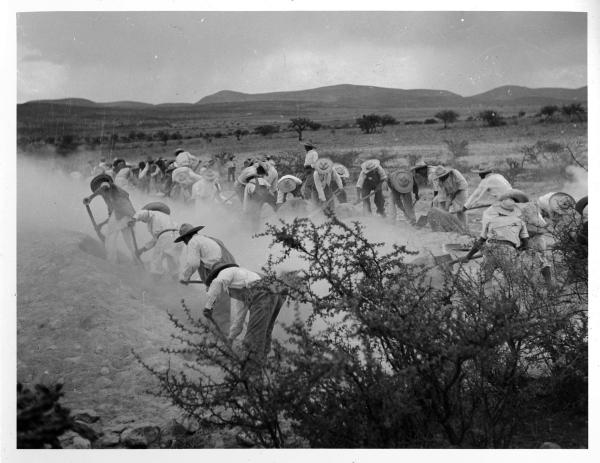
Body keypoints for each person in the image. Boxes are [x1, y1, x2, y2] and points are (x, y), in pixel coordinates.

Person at [202, 264, 285, 369]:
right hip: (275, 293)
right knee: (264, 333)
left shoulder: (226, 272)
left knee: (253, 338)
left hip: (263, 294)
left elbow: (217, 282)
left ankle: (250, 375)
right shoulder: (241, 282)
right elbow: (239, 318)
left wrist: (208, 307)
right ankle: (262, 366)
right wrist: (230, 339)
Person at [176, 224, 237, 325]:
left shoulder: (193, 242)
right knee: (220, 304)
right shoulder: (212, 240)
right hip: (231, 272)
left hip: (219, 275)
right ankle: (218, 331)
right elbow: (211, 261)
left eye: (184, 240)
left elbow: (193, 263)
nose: (185, 243)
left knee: (218, 306)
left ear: (187, 237)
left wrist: (185, 278)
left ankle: (218, 335)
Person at [461, 198, 529, 287]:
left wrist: (468, 256)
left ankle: (486, 297)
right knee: (512, 281)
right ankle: (510, 298)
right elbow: (526, 243)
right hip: (508, 250)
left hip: (490, 249)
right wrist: (518, 249)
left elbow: (480, 241)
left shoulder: (491, 221)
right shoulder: (520, 221)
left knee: (485, 279)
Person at [83, 173, 137, 264]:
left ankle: (111, 261)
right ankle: (136, 260)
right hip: (129, 215)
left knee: (110, 238)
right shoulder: (110, 197)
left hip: (123, 213)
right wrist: (101, 224)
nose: (98, 189)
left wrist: (90, 198)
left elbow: (103, 187)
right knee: (129, 241)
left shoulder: (107, 186)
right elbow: (112, 216)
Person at [131, 202, 182, 279]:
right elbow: (157, 239)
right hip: (178, 238)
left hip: (165, 237)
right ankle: (176, 281)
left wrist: (134, 219)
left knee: (156, 260)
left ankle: (155, 281)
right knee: (173, 261)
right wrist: (142, 250)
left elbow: (142, 213)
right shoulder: (168, 219)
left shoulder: (153, 213)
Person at [387, 159, 419, 225]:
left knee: (409, 205)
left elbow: (415, 186)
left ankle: (412, 221)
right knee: (392, 204)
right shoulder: (393, 182)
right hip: (394, 188)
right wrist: (403, 209)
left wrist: (416, 195)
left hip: (406, 186)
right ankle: (391, 222)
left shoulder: (410, 178)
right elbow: (397, 200)